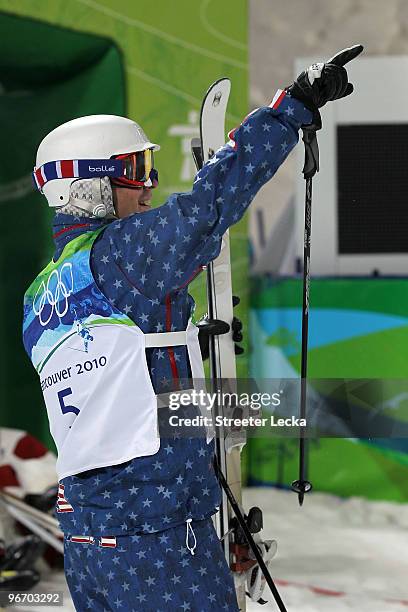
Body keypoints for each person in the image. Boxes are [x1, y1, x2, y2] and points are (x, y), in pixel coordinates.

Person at [23, 48, 361, 611]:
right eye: (135, 169)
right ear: (92, 183)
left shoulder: (41, 294)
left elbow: (119, 382)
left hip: (88, 534)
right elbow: (210, 205)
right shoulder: (125, 254)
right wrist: (290, 108)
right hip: (158, 534)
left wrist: (182, 344)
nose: (149, 182)